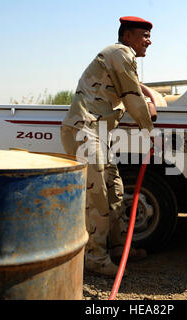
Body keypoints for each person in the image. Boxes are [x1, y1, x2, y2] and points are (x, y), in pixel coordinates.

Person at [61, 16, 156, 277]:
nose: (149, 41)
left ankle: (116, 248)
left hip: (99, 133)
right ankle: (94, 257)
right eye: (143, 35)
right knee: (97, 198)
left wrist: (146, 96)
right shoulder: (121, 52)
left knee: (115, 193)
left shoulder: (120, 57)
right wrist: (150, 126)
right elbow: (132, 97)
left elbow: (133, 87)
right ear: (127, 36)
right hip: (85, 130)